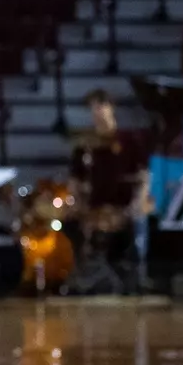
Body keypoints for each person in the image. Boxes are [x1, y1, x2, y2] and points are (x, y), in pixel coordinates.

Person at [67, 89, 151, 293]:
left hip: (124, 205)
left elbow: (144, 175)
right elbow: (75, 180)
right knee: (68, 224)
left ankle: (136, 275)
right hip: (96, 206)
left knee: (140, 219)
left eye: (101, 106)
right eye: (94, 107)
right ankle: (80, 276)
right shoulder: (85, 146)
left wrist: (137, 203)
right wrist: (76, 203)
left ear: (111, 108)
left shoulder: (129, 141)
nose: (98, 112)